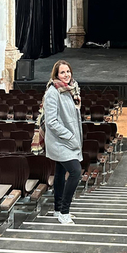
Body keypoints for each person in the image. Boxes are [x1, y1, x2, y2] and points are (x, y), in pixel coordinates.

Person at [44, 59, 83, 224]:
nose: (66, 75)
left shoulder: (70, 89)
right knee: (75, 172)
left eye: (68, 71)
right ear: (56, 75)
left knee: (60, 174)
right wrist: (69, 136)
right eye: (62, 72)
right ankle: (64, 212)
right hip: (61, 141)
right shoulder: (53, 92)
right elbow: (51, 121)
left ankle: (57, 209)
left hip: (68, 140)